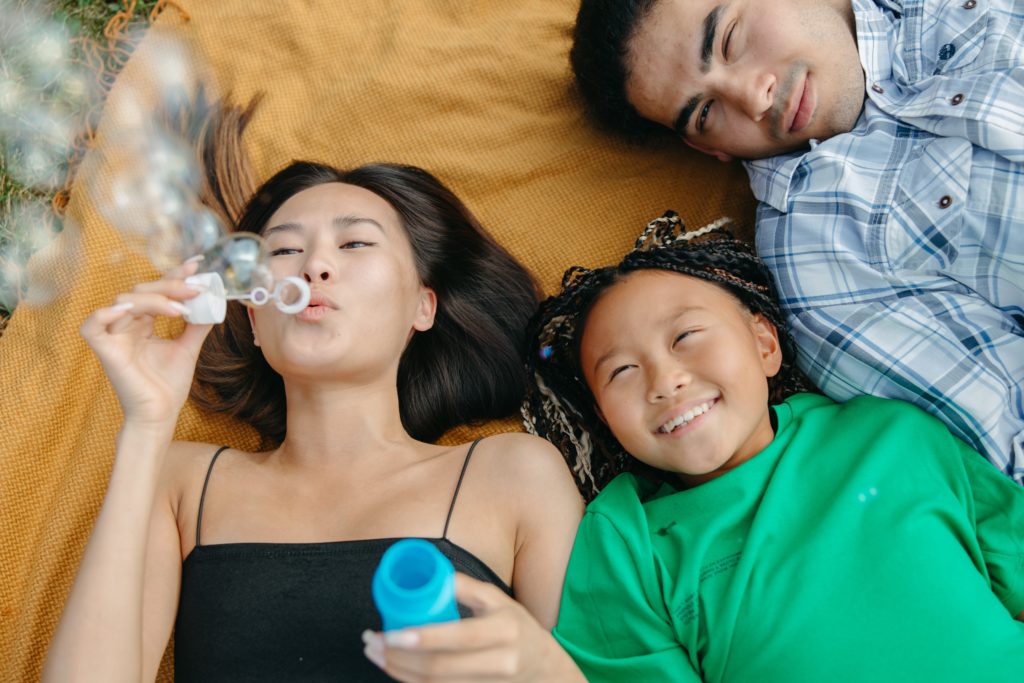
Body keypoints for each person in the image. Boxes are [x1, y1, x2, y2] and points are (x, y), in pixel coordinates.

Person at [42, 99, 584, 682]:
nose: (314, 265)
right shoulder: (180, 480)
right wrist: (145, 426)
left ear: (421, 306)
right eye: (283, 250)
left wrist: (539, 666)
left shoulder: (514, 473)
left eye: (354, 244)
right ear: (254, 319)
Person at [523, 211, 1024, 682]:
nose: (664, 380)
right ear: (606, 421)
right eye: (621, 371)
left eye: (686, 336)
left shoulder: (890, 434)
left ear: (764, 344)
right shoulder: (623, 542)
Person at [568, 0, 1024, 485]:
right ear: (708, 149)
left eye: (728, 40)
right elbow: (1006, 440)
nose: (755, 98)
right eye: (706, 112)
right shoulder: (816, 260)